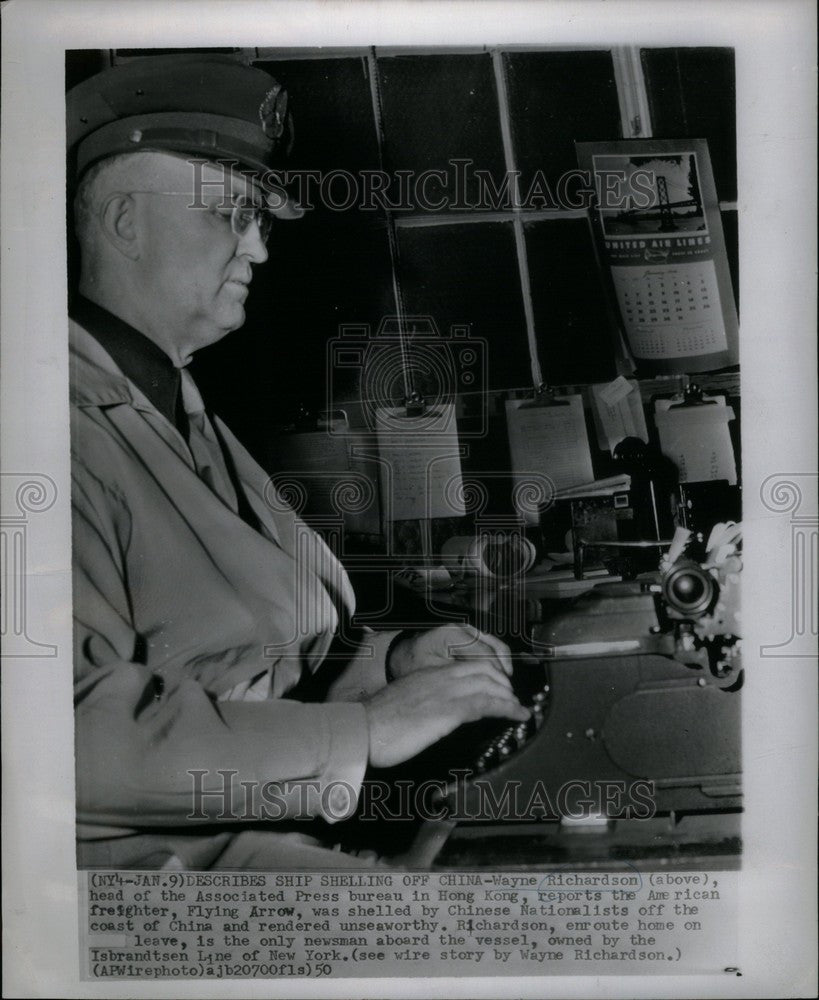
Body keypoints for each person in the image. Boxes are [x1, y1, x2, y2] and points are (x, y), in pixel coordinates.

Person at [68, 54, 529, 869]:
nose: (259, 250)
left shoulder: (174, 406)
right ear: (125, 221)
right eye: (230, 215)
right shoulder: (46, 433)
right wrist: (367, 728)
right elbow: (63, 738)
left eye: (261, 221)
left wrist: (390, 663)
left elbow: (242, 670)